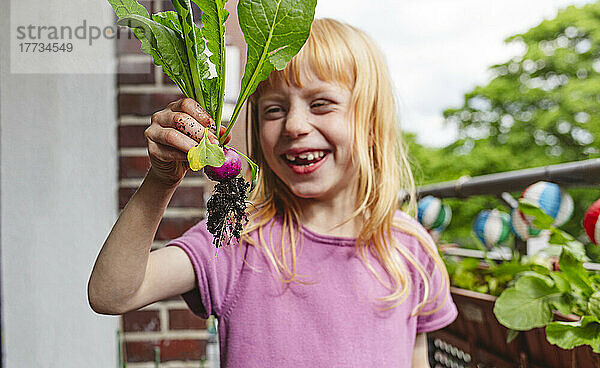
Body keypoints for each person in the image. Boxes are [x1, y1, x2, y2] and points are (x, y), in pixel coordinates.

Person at [88, 18, 457, 367]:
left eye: (321, 104)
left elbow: (416, 359)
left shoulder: (410, 249)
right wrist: (161, 181)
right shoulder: (237, 238)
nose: (294, 125)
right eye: (274, 110)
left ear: (373, 123)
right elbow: (113, 294)